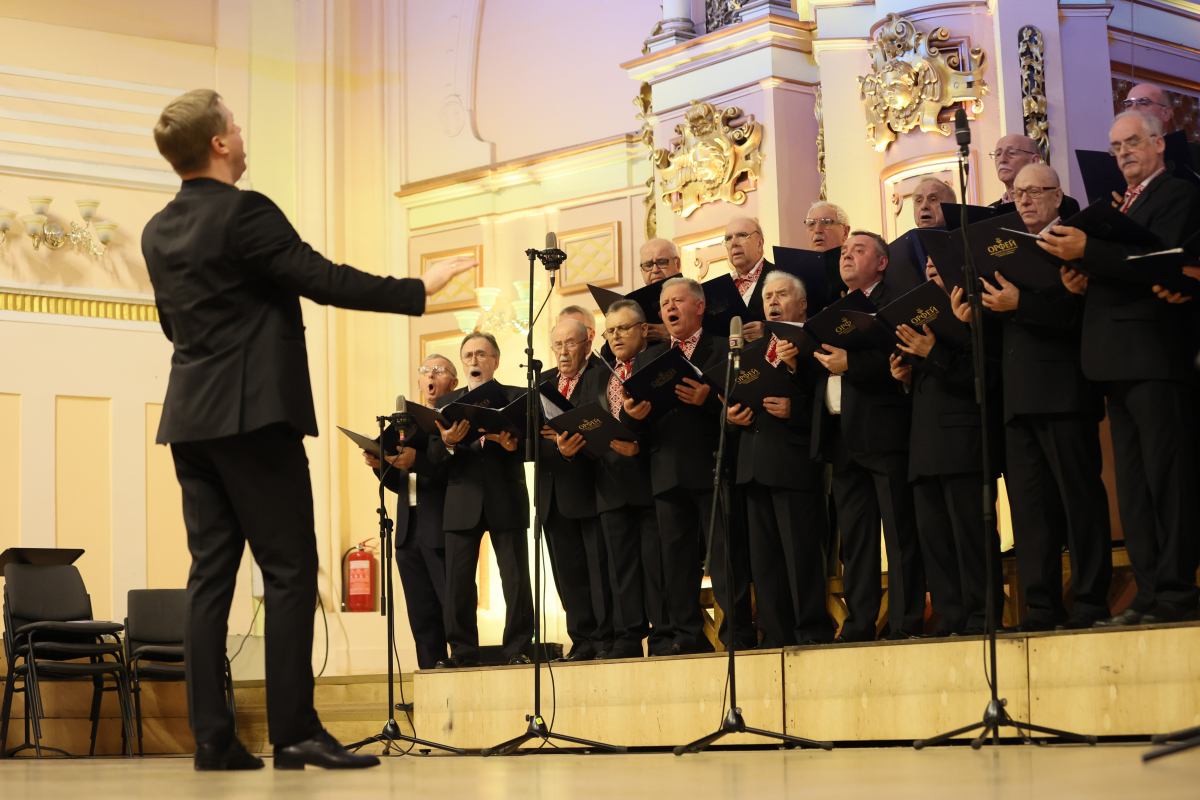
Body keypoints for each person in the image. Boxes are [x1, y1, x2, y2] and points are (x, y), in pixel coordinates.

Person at [143, 89, 473, 770]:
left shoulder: (157, 229)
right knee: (290, 570)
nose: (241, 128)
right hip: (254, 414)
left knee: (209, 579)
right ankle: (294, 730)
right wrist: (419, 288)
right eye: (234, 122)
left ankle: (213, 739)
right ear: (218, 144)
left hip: (190, 419)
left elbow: (175, 326)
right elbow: (321, 278)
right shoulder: (245, 211)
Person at [1040, 111, 1200, 626]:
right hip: (1111, 352)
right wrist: (1076, 276)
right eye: (1115, 147)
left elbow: (1158, 259)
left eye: (1132, 142)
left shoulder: (1178, 193)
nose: (1123, 153)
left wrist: (1091, 250)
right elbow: (1117, 265)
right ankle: (1150, 591)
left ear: (1158, 144)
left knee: (1166, 476)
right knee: (1130, 484)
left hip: (1155, 350)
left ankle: (1177, 591)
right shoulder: (1114, 205)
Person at [983, 164, 1112, 632]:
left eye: (1037, 191)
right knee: (1029, 509)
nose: (1026, 200)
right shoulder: (1007, 246)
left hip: (1064, 389)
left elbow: (1084, 313)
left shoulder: (1076, 241)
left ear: (1059, 197)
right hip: (1017, 395)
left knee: (1079, 501)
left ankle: (1092, 601)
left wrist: (1024, 304)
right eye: (1019, 193)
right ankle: (1040, 608)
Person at [624, 276, 755, 653]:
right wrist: (633, 415)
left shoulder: (723, 348)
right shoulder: (649, 359)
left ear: (699, 306)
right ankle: (687, 635)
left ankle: (737, 632)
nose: (669, 308)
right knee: (676, 562)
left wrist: (709, 399)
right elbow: (637, 420)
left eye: (677, 301)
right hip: (665, 469)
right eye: (665, 303)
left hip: (713, 465)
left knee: (726, 555)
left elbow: (742, 402)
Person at [812, 232, 925, 642]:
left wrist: (850, 364)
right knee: (856, 543)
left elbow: (899, 356)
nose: (846, 255)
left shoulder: (895, 300)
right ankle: (859, 623)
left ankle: (904, 621)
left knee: (899, 535)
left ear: (881, 262)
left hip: (884, 431)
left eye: (857, 250)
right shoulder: (835, 308)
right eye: (844, 252)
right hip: (842, 436)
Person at [889, 263, 1002, 637]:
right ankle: (953, 618)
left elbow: (983, 374)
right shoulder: (925, 317)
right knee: (935, 541)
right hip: (924, 446)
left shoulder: (977, 310)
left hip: (963, 441)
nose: (932, 275)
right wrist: (905, 376)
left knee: (971, 538)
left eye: (940, 269)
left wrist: (933, 352)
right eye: (928, 270)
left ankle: (983, 617)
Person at [726, 271, 836, 646]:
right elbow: (738, 399)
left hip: (795, 463)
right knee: (765, 562)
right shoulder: (752, 352)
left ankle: (811, 631)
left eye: (782, 294)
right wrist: (731, 417)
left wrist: (796, 406)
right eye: (768, 295)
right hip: (753, 466)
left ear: (802, 304)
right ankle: (773, 634)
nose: (772, 300)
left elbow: (831, 402)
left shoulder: (817, 343)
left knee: (802, 553)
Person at [429, 332, 536, 665]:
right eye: (468, 356)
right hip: (463, 500)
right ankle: (462, 652)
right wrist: (447, 442)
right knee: (458, 583)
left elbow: (536, 446)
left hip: (506, 495)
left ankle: (517, 648)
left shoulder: (519, 397)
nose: (474, 360)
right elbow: (433, 457)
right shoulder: (446, 404)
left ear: (496, 360)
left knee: (516, 579)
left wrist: (513, 446)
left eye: (481, 354)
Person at [577, 299, 672, 658]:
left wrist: (640, 448)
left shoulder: (658, 363)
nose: (616, 336)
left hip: (650, 479)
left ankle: (663, 636)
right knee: (620, 569)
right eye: (610, 331)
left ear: (643, 329)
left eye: (623, 328)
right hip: (609, 482)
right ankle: (627, 638)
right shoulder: (597, 374)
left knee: (655, 565)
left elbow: (668, 423)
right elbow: (587, 421)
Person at [361, 355, 458, 670]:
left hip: (442, 525)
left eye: (439, 370)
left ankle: (460, 671)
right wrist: (381, 465)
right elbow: (399, 485)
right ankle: (431, 680)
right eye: (425, 371)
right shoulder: (404, 422)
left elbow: (457, 472)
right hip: (406, 530)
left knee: (452, 608)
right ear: (419, 382)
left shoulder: (456, 420)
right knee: (421, 613)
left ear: (452, 383)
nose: (430, 376)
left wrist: (418, 460)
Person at [538, 319, 613, 661]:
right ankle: (581, 640)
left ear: (587, 343)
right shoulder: (541, 384)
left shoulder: (601, 375)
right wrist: (558, 449)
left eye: (570, 343)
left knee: (599, 571)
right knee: (568, 576)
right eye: (558, 345)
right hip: (553, 493)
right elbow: (533, 438)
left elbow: (604, 426)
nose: (563, 352)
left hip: (594, 487)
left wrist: (573, 446)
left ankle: (605, 639)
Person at [987, 134, 1082, 218]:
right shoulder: (988, 212)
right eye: (998, 154)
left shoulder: (1063, 204)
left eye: (1011, 153)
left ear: (1033, 160)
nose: (1002, 159)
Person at [724, 217, 771, 341]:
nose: (734, 243)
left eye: (742, 235)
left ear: (760, 243)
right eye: (728, 238)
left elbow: (796, 323)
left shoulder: (781, 277)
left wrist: (767, 331)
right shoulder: (720, 288)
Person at [637, 238, 683, 343]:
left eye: (662, 262)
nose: (655, 270)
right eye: (648, 265)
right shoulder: (632, 305)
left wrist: (674, 333)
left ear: (677, 263)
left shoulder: (698, 294)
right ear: (641, 271)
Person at [806, 201, 851, 299]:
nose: (817, 230)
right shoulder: (796, 272)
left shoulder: (855, 267)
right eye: (812, 224)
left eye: (826, 222)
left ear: (845, 232)